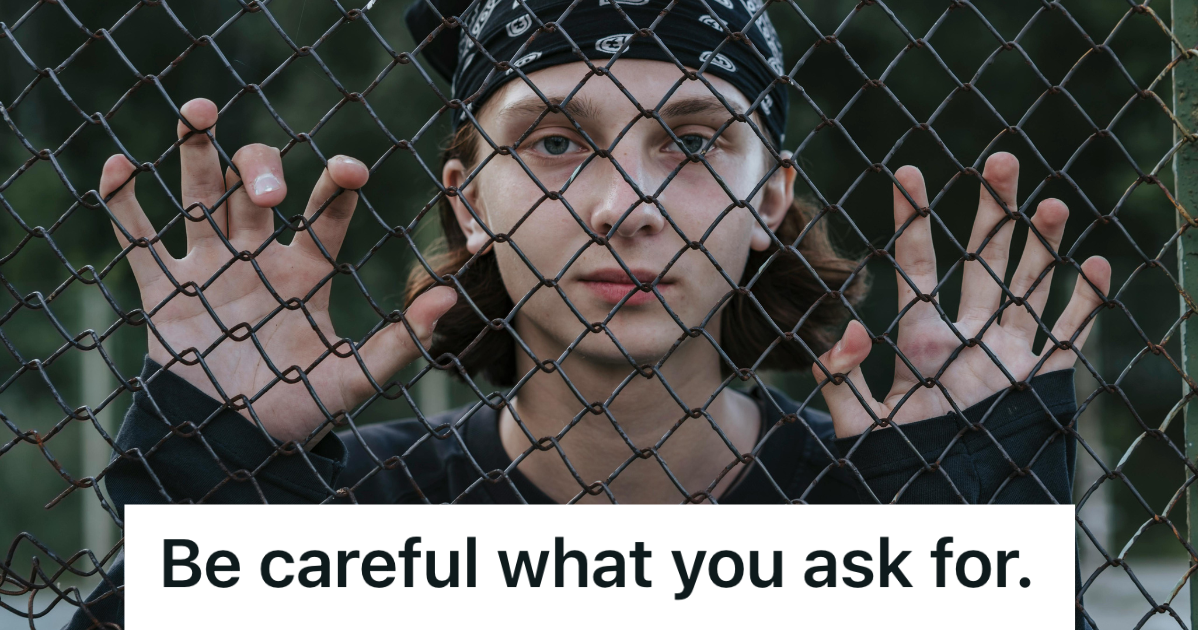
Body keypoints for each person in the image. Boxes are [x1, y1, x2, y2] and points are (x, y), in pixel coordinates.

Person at [64, 0, 1110, 627]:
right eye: (558, 141)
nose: (629, 209)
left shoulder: (882, 517)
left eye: (693, 142)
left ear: (770, 201)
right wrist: (217, 482)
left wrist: (971, 551)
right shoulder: (349, 520)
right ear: (471, 198)